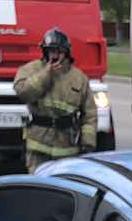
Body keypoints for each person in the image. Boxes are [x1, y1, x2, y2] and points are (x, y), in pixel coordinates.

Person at [13, 28, 95, 172]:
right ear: (45, 51)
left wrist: (88, 144)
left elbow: (90, 114)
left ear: (66, 52)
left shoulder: (79, 78)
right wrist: (45, 74)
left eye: (58, 51)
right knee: (38, 187)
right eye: (51, 50)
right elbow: (24, 94)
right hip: (38, 146)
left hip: (67, 148)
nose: (54, 55)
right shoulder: (30, 70)